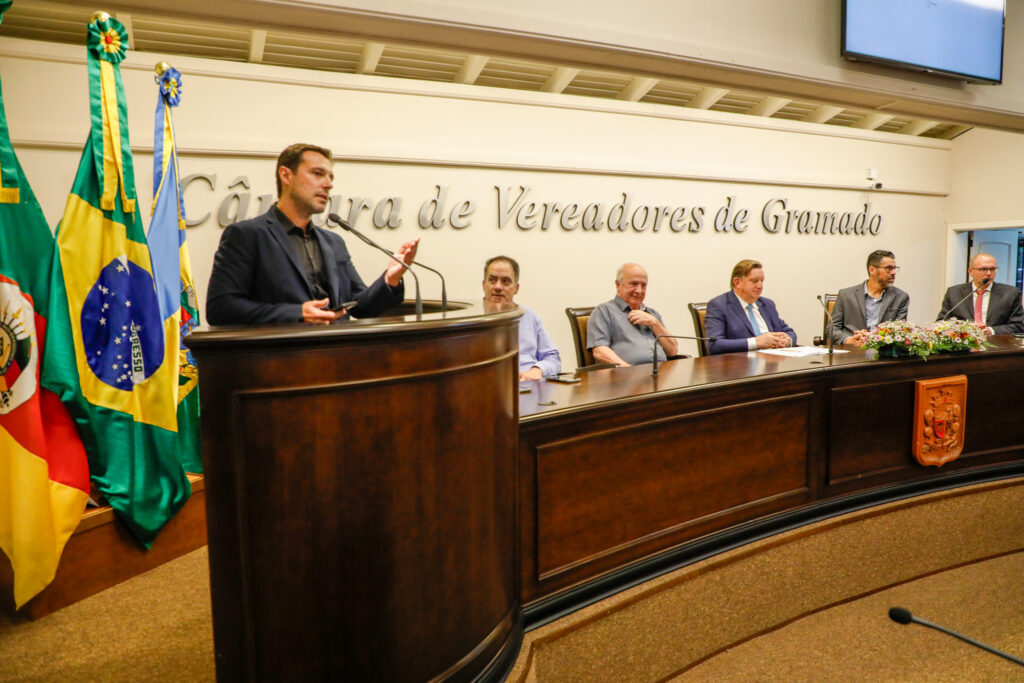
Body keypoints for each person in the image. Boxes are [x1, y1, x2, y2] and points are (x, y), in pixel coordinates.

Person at [206, 143, 419, 325]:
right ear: (286, 175)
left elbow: (360, 307)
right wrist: (297, 313)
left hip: (339, 362)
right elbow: (221, 309)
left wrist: (390, 278)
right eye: (317, 174)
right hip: (279, 364)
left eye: (330, 177)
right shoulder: (246, 235)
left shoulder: (333, 242)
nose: (328, 184)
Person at [482, 256, 561, 380]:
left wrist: (537, 370)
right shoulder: (471, 320)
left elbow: (553, 358)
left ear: (516, 288)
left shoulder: (529, 316)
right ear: (484, 285)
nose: (498, 286)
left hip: (527, 387)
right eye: (492, 280)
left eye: (505, 281)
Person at [587, 263, 678, 366]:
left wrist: (655, 323)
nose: (639, 290)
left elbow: (673, 351)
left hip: (661, 374)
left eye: (643, 285)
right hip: (625, 376)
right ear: (618, 285)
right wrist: (628, 370)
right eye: (634, 284)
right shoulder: (604, 311)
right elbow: (600, 351)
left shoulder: (652, 314)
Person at [705, 259, 796, 354]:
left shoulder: (767, 304)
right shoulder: (719, 305)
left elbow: (789, 332)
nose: (760, 286)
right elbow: (715, 345)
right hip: (740, 365)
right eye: (754, 281)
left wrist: (787, 340)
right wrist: (756, 342)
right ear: (737, 282)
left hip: (773, 362)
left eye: (762, 281)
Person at [829, 250, 910, 345]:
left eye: (894, 268)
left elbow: (899, 332)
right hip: (851, 351)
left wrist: (872, 337)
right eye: (888, 268)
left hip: (882, 353)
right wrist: (848, 339)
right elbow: (832, 328)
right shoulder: (846, 295)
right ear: (872, 270)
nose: (893, 272)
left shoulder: (901, 297)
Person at [936, 252, 1024, 335]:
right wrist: (966, 328)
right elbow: (942, 322)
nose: (989, 273)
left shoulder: (1010, 293)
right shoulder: (954, 293)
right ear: (970, 271)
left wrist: (991, 330)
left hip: (998, 347)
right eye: (984, 269)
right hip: (964, 346)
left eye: (992, 269)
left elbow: (1019, 325)